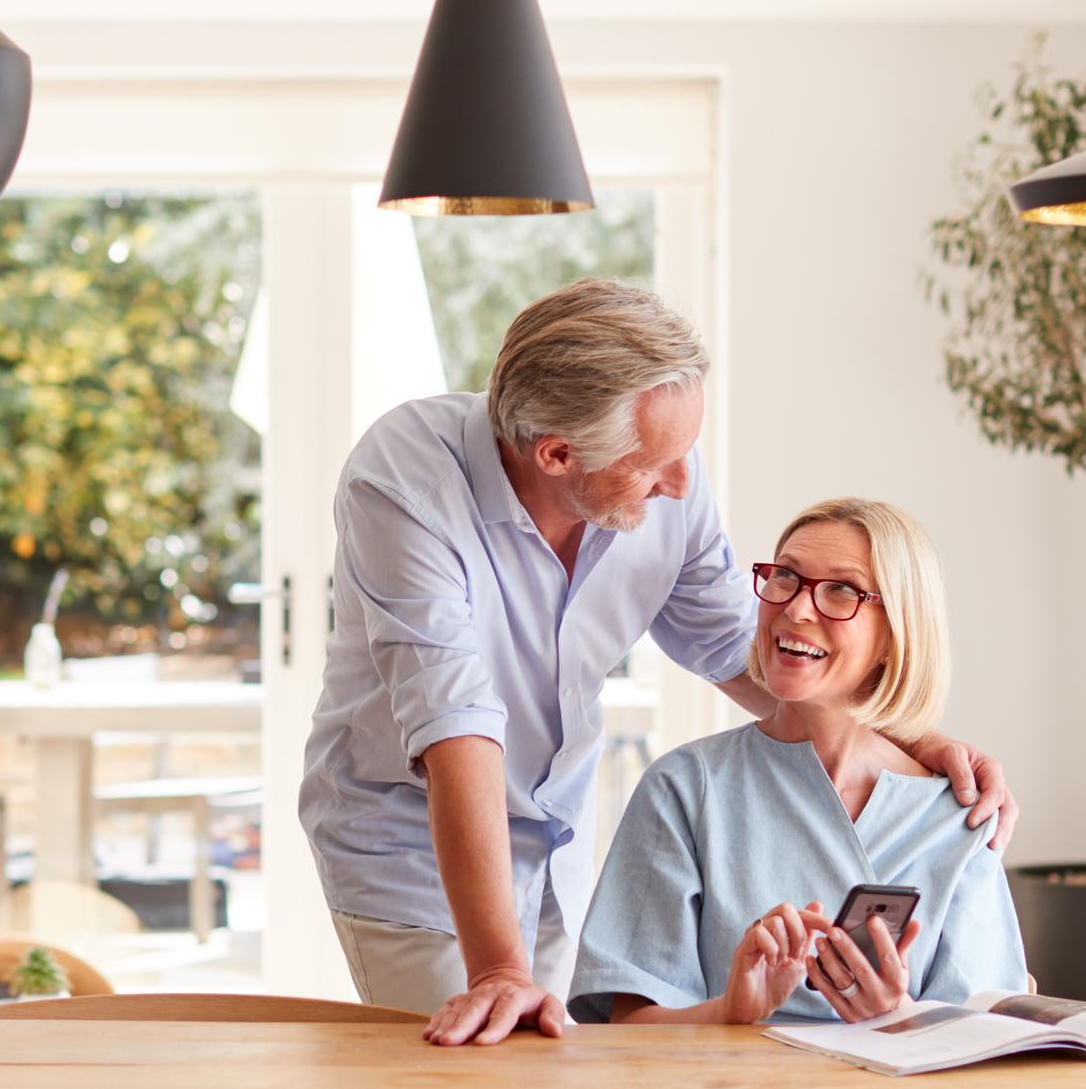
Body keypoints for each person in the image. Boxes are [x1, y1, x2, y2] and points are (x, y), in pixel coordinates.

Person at [297, 280, 1020, 1045]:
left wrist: (907, 738)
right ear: (558, 454)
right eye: (654, 465)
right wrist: (499, 970)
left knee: (541, 1084)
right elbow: (456, 724)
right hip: (415, 851)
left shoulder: (666, 472)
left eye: (684, 453)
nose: (680, 483)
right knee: (470, 1074)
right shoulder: (406, 483)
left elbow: (745, 647)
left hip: (552, 842)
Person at [567, 497, 1026, 1026]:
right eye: (785, 576)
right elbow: (629, 1025)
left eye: (841, 590)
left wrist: (897, 1017)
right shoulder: (686, 787)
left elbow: (992, 1037)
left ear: (895, 635)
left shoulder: (957, 815)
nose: (797, 609)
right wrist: (729, 1013)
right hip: (726, 1083)